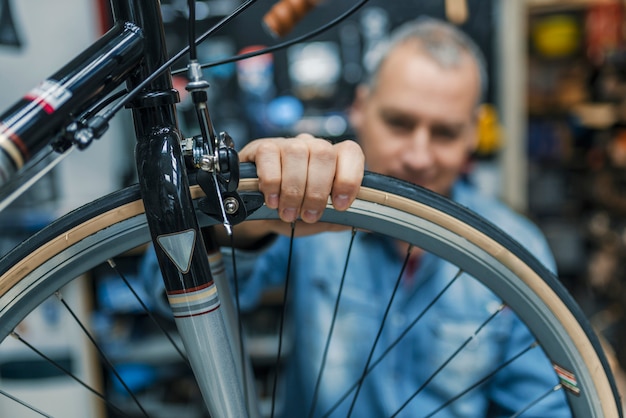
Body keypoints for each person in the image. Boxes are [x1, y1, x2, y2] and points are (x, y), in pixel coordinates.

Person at [142, 17, 571, 417]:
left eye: (444, 132)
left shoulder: (513, 246)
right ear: (361, 107)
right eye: (399, 123)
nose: (419, 156)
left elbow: (545, 406)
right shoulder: (316, 204)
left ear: (474, 131)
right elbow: (163, 290)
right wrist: (249, 217)